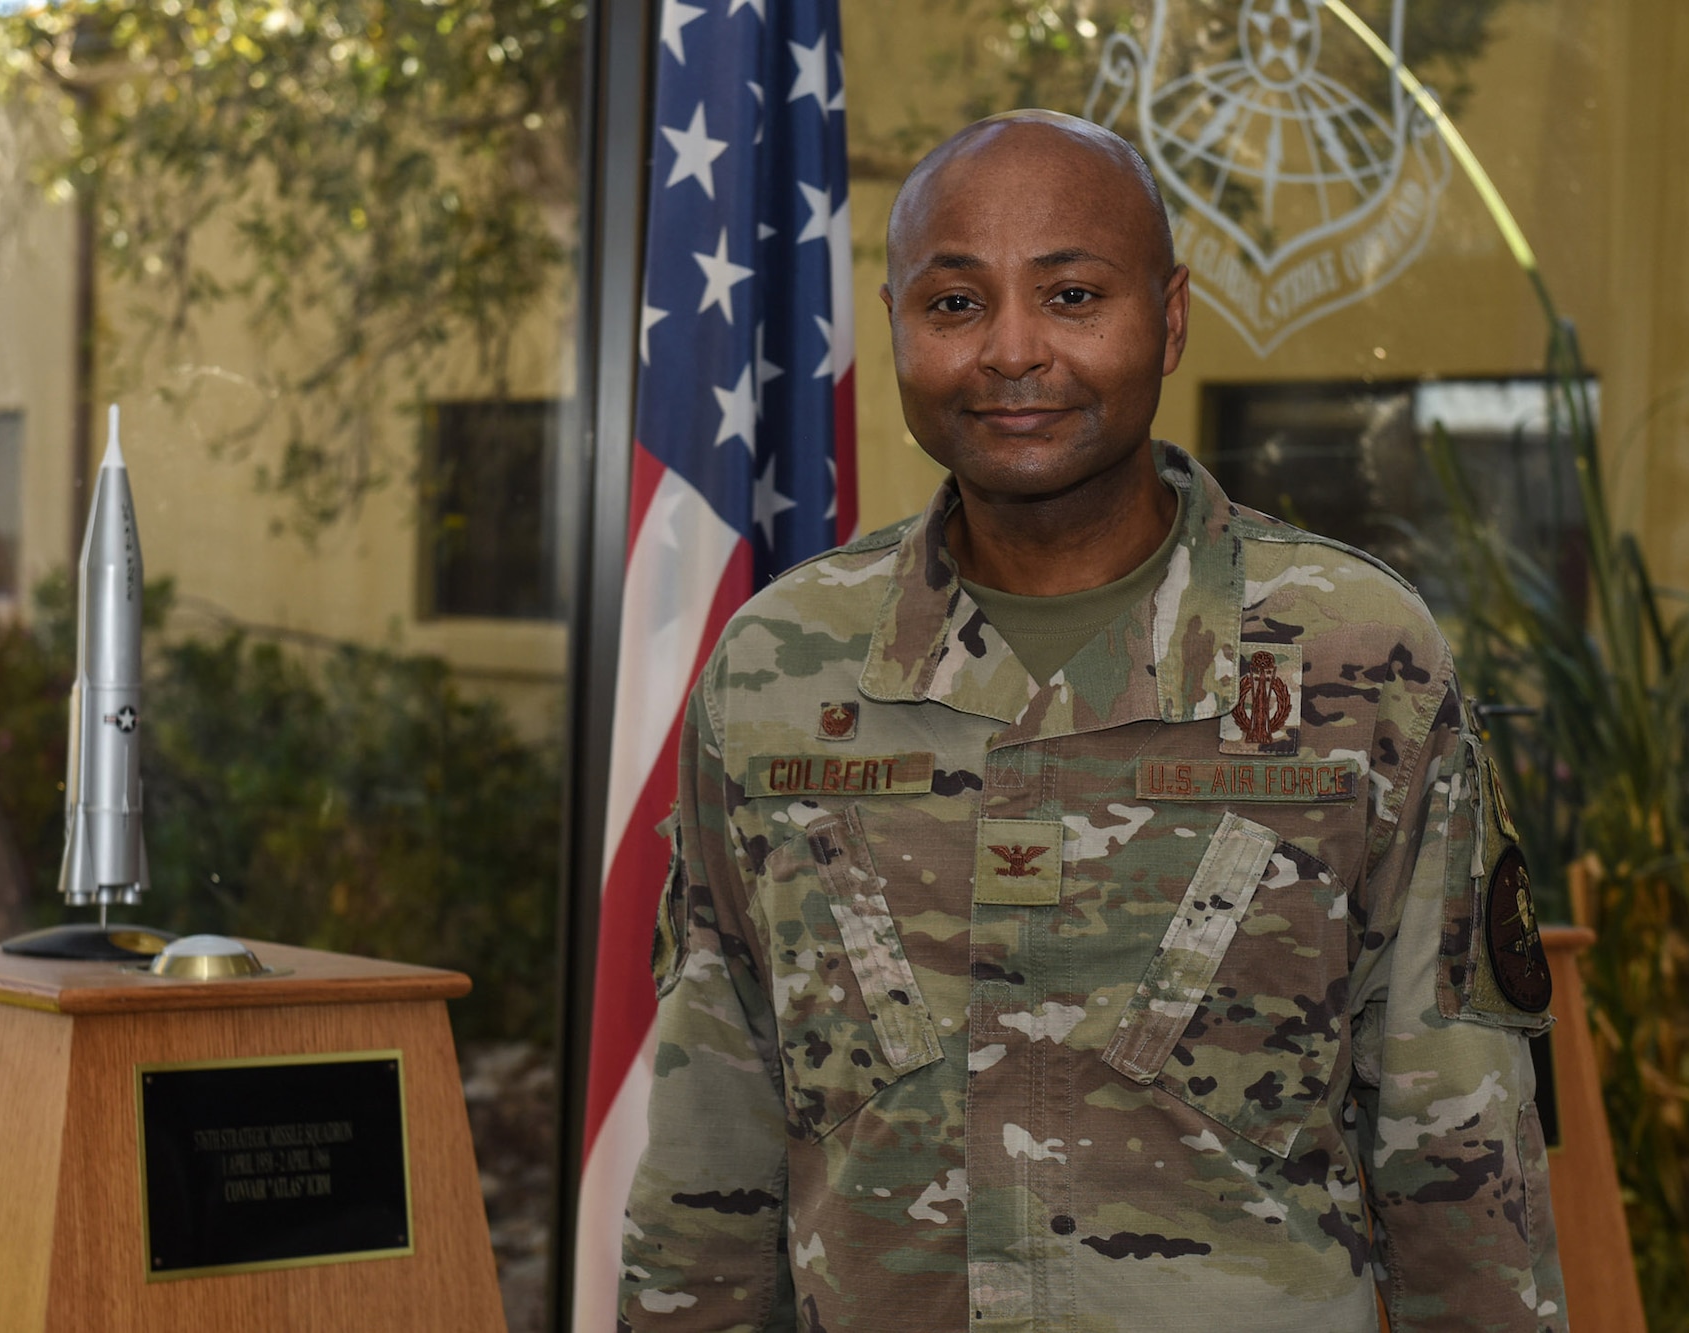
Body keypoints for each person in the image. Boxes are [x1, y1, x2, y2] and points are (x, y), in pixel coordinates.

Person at [619, 110, 1566, 1331]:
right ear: (895, 324)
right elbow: (714, 1132)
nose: (1011, 352)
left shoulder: (1354, 656)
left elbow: (1461, 1167)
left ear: (1167, 319)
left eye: (1071, 295)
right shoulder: (777, 674)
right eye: (953, 304)